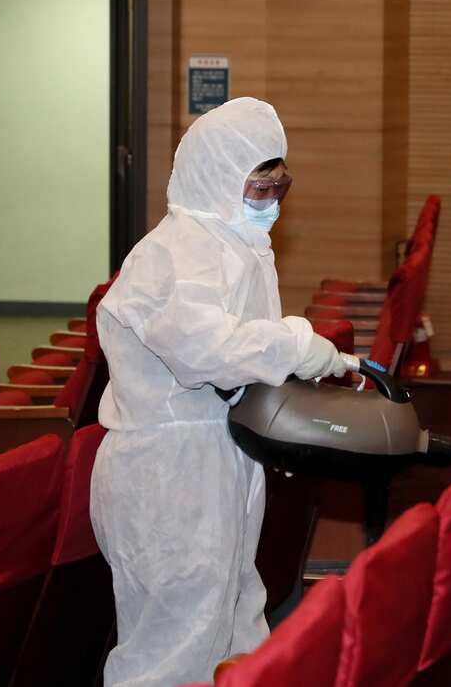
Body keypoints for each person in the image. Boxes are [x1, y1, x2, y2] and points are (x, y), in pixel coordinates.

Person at [90, 97, 359, 687]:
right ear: (216, 177)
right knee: (171, 646)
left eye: (277, 191)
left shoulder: (236, 244)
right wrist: (295, 343)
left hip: (222, 456)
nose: (269, 206)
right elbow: (205, 353)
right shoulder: (173, 253)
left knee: (236, 613)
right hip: (167, 472)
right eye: (258, 190)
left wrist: (295, 353)